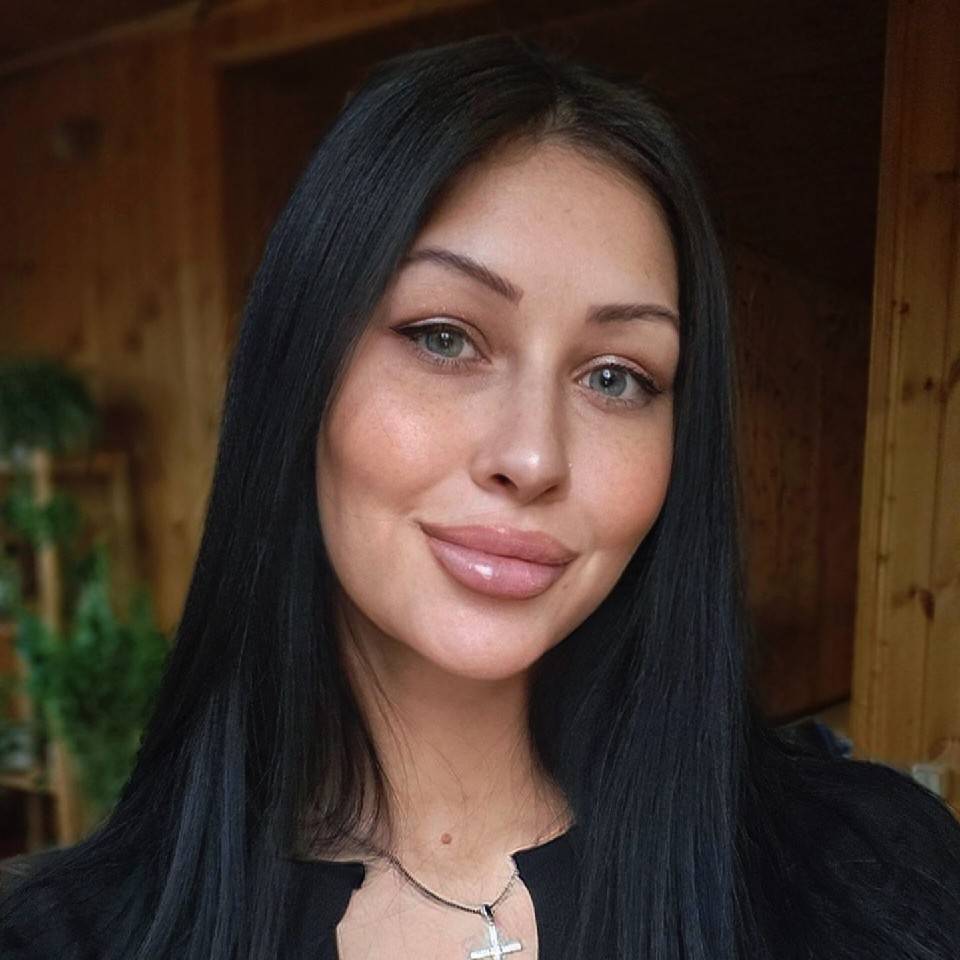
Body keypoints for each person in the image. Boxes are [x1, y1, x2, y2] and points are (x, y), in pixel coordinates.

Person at [2, 31, 959, 960]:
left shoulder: (877, 874)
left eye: (616, 377)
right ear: (301, 373)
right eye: (444, 337)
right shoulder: (65, 936)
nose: (532, 457)